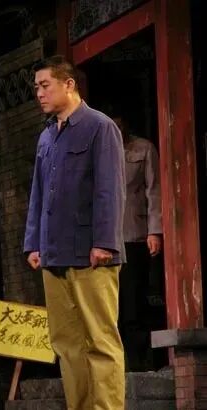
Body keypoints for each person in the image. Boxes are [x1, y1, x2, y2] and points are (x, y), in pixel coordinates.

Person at [23, 55, 126, 409]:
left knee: (100, 339)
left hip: (91, 253)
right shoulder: (46, 137)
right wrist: (33, 243)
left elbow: (110, 189)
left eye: (45, 85)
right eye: (36, 87)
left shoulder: (99, 127)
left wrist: (105, 242)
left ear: (69, 84)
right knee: (66, 344)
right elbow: (37, 194)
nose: (39, 93)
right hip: (54, 253)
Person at [113, 114, 162, 371]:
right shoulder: (96, 150)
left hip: (134, 234)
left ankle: (139, 362)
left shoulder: (144, 149)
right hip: (105, 241)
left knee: (134, 300)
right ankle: (117, 363)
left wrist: (155, 231)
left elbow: (154, 190)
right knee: (112, 305)